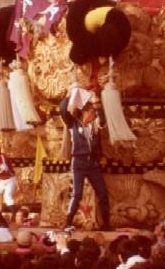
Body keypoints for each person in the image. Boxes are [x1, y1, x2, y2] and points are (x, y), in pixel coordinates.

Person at [59, 89, 111, 231]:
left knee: (102, 192)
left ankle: (106, 223)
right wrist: (69, 94)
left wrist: (96, 103)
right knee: (77, 193)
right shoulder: (73, 124)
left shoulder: (94, 125)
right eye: (92, 112)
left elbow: (103, 120)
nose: (94, 115)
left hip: (93, 163)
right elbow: (62, 110)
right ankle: (68, 221)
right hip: (79, 163)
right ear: (85, 112)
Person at [0, 143, 18, 221]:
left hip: (10, 180)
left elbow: (4, 169)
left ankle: (14, 214)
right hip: (2, 181)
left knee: (7, 196)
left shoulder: (3, 157)